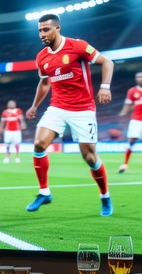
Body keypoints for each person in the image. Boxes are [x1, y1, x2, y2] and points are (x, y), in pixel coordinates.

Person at [25, 13, 116, 216]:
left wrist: (105, 87)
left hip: (83, 109)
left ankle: (105, 196)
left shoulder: (78, 46)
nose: (42, 34)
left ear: (57, 28)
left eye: (46, 29)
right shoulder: (42, 57)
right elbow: (45, 82)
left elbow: (108, 62)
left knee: (90, 157)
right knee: (39, 143)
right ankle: (44, 192)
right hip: (57, 107)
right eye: (39, 30)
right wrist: (34, 106)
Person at [0, 99, 24, 165]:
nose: (12, 104)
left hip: (17, 131)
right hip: (8, 131)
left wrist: (23, 124)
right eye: (10, 103)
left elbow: (21, 119)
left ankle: (17, 157)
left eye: (13, 103)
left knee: (17, 144)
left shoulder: (18, 111)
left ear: (15, 104)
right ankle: (7, 157)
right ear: (8, 105)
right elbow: (2, 122)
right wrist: (0, 128)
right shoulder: (5, 112)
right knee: (7, 144)